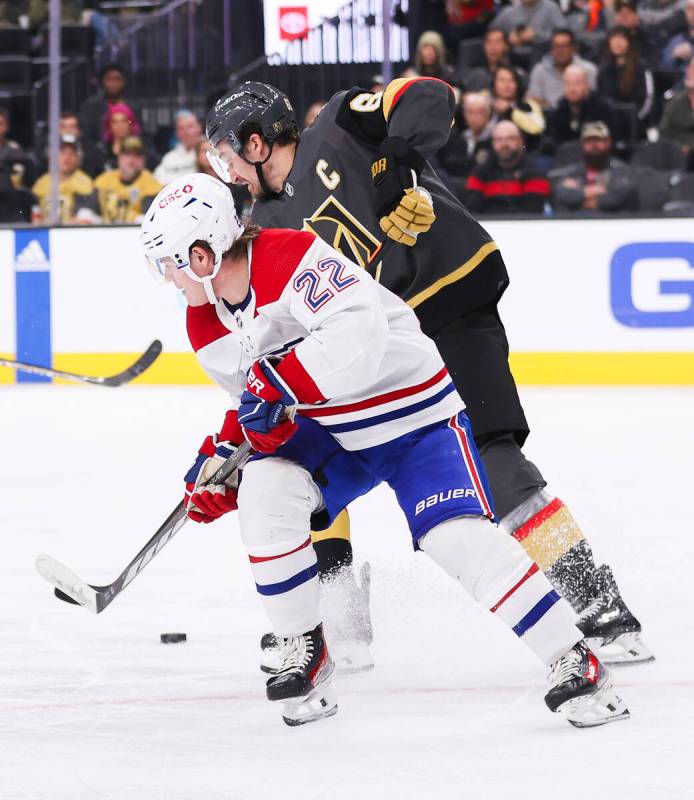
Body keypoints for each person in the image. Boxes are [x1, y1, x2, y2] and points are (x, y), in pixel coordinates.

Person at [140, 171, 630, 729]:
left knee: (455, 539)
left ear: (203, 255)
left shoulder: (290, 257)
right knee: (262, 489)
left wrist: (277, 386)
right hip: (333, 433)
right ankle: (308, 648)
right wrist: (226, 460)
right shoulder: (205, 320)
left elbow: (359, 338)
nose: (168, 279)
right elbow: (255, 403)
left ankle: (573, 656)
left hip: (414, 419)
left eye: (170, 263)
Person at [203, 80, 654, 667]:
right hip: (384, 355)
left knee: (495, 462)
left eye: (227, 154)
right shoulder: (267, 226)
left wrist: (394, 160)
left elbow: (430, 96)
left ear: (257, 143)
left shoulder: (341, 122)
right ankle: (341, 617)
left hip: (450, 303)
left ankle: (598, 604)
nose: (227, 170)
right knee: (310, 461)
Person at [550, 120, 637, 212]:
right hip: (577, 223)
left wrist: (581, 199)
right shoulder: (573, 171)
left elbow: (619, 196)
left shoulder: (620, 169)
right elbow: (560, 194)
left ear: (608, 142)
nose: (593, 145)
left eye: (598, 140)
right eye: (589, 141)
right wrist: (589, 191)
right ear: (582, 144)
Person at [465, 120, 550, 213]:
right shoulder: (480, 173)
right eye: (499, 139)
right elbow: (472, 211)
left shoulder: (535, 172)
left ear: (520, 141)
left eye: (510, 138)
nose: (504, 144)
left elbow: (532, 213)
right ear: (492, 143)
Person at [598, 26, 654, 137]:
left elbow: (648, 99)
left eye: (621, 38)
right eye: (613, 39)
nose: (617, 43)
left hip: (636, 124)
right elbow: (600, 97)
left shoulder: (641, 67)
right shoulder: (604, 69)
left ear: (629, 42)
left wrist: (635, 118)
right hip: (610, 125)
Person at [89, 136, 161, 223]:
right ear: (119, 157)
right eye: (127, 154)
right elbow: (89, 210)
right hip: (105, 232)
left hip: (133, 233)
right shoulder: (103, 181)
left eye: (137, 155)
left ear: (143, 160)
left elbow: (149, 219)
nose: (131, 160)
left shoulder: (151, 184)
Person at [435, 92, 494, 189]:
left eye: (480, 112)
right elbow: (449, 164)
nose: (474, 117)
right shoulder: (458, 138)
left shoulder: (496, 138)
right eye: (470, 112)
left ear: (488, 114)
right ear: (464, 114)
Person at [527, 28, 598, 109]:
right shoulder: (539, 70)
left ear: (573, 48)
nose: (559, 51)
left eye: (563, 46)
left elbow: (592, 99)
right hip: (548, 116)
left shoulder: (588, 69)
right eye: (556, 46)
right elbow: (533, 100)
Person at [32, 136, 94, 224]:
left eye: (71, 153)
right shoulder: (42, 183)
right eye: (62, 152)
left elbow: (83, 218)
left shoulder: (84, 182)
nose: (66, 157)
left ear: (78, 158)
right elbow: (35, 216)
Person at [550, 64, 616, 146]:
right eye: (568, 83)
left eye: (577, 83)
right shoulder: (560, 108)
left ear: (587, 84)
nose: (572, 88)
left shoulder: (602, 107)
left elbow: (611, 139)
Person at [79, 64, 142, 147]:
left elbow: (133, 124)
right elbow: (86, 133)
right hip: (99, 151)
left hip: (129, 149)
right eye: (109, 79)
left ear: (124, 82)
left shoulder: (132, 106)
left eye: (118, 79)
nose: (114, 83)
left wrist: (128, 124)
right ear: (102, 82)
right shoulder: (91, 105)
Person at [491, 0, 566, 50]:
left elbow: (565, 35)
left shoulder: (551, 8)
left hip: (544, 55)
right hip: (513, 55)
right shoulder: (509, 11)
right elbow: (491, 33)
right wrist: (507, 39)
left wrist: (537, 35)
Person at [154, 110, 203, 185]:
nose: (186, 132)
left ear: (199, 128)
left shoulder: (212, 150)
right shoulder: (169, 157)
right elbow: (157, 179)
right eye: (181, 128)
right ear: (176, 133)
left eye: (190, 127)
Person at [659, 56, 694, 154]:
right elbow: (664, 133)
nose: (690, 72)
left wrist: (689, 146)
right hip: (677, 157)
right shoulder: (677, 101)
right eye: (690, 67)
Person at [662, 0, 694, 72]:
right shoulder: (676, 40)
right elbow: (663, 69)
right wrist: (674, 56)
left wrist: (691, 55)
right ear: (685, 12)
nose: (693, 14)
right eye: (690, 9)